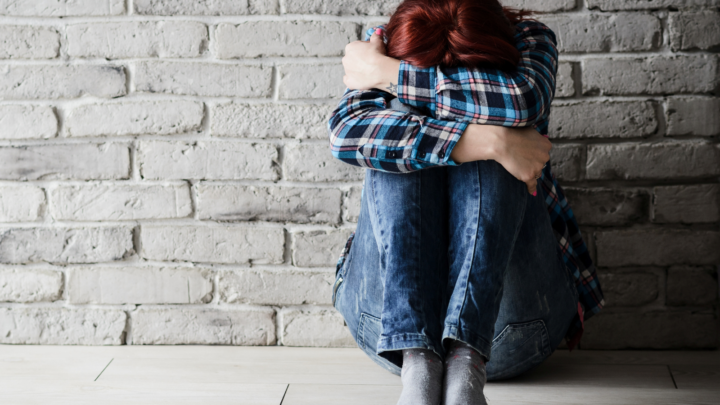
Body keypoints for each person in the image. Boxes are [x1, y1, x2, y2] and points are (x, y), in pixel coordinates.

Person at [327, 1, 605, 404]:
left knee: (496, 118)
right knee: (398, 130)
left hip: (513, 330)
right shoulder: (385, 41)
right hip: (387, 331)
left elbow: (522, 101)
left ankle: (465, 363)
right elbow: (345, 133)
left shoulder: (529, 39)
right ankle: (421, 363)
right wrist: (491, 142)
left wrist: (392, 74)